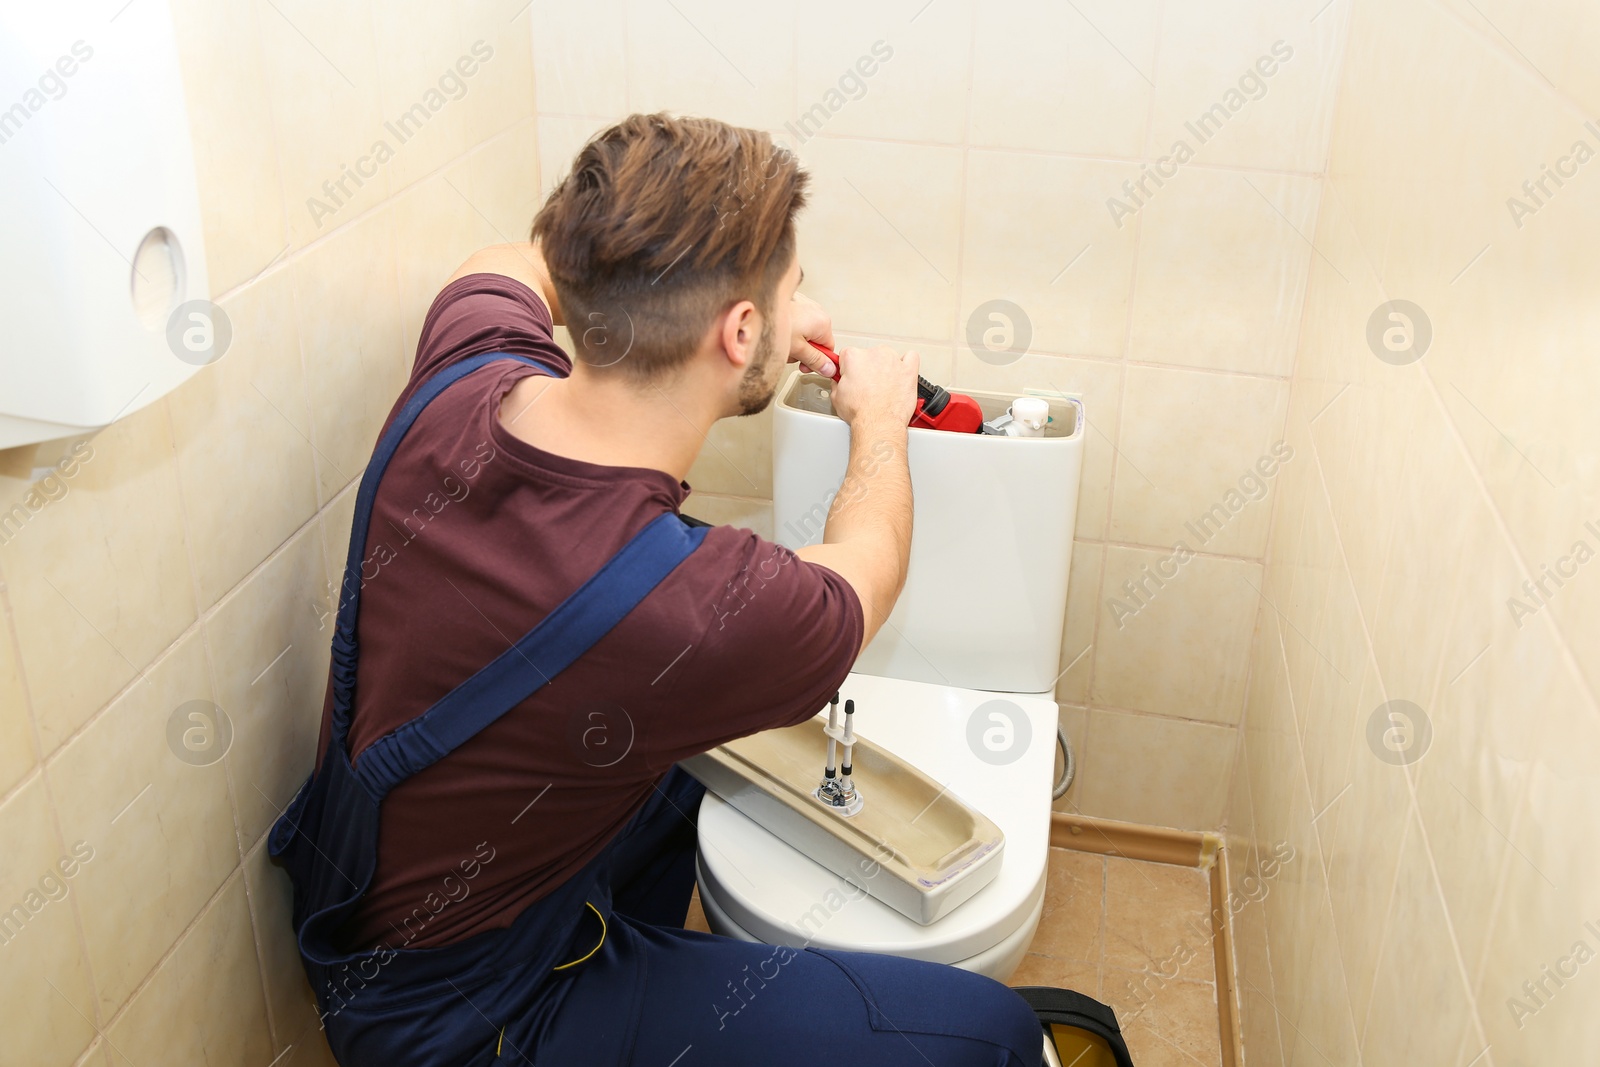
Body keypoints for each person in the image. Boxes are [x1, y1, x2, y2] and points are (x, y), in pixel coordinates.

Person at [271, 111, 1042, 1067]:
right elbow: (868, 571)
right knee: (997, 1038)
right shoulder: (695, 605)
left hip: (373, 912)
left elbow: (508, 258)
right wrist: (878, 422)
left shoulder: (465, 369)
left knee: (675, 765)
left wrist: (743, 304)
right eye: (791, 290)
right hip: (465, 1023)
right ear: (740, 330)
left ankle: (646, 976)